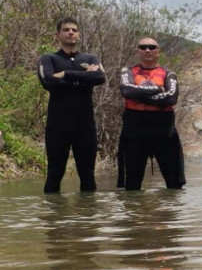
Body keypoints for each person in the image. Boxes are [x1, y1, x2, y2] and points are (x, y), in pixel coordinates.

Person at [38, 17, 105, 193]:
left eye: (74, 30)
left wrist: (66, 74)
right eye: (66, 30)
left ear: (79, 35)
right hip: (57, 125)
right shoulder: (48, 58)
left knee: (88, 174)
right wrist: (83, 77)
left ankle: (87, 218)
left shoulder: (90, 57)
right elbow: (48, 82)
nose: (71, 33)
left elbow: (100, 77)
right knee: (55, 172)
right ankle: (54, 218)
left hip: (85, 124)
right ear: (58, 34)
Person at [117, 37, 185, 190]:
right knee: (132, 186)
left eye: (152, 47)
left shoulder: (168, 74)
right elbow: (126, 90)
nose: (148, 50)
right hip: (135, 132)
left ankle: (172, 213)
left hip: (164, 133)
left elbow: (171, 98)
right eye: (143, 47)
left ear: (158, 51)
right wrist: (158, 90)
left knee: (174, 185)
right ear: (137, 51)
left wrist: (139, 96)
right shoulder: (128, 72)